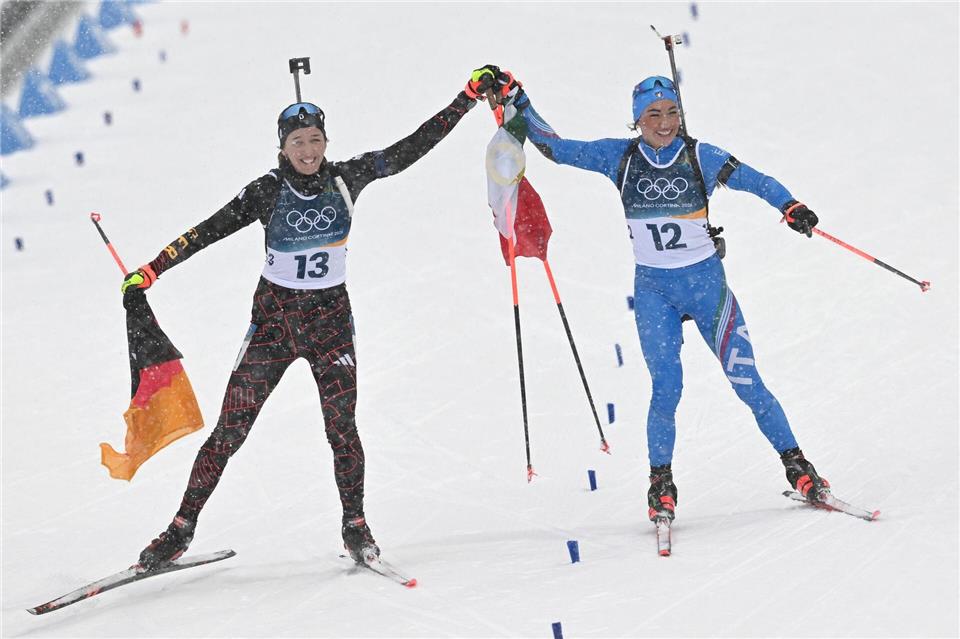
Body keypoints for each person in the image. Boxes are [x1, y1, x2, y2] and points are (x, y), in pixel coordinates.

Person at [123, 66, 506, 568]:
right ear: (282, 147)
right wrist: (153, 268)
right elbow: (208, 230)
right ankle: (179, 529)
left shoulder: (347, 178)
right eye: (298, 142)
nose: (308, 151)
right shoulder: (265, 191)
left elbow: (412, 147)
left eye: (316, 139)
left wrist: (466, 98)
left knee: (341, 429)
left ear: (326, 141)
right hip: (274, 326)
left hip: (330, 325)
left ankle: (356, 525)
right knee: (230, 431)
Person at [499, 73, 830, 524]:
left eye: (672, 111)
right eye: (653, 114)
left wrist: (790, 207)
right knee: (667, 388)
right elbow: (555, 148)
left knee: (748, 382)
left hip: (707, 290)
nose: (665, 121)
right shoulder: (620, 156)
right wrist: (518, 100)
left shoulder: (700, 156)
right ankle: (661, 484)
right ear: (637, 120)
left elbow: (756, 180)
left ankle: (798, 465)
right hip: (656, 294)